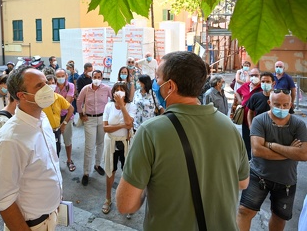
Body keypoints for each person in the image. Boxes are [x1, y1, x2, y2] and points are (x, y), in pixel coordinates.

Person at [116, 51, 249, 230]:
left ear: (170, 86)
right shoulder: (229, 127)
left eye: (158, 78)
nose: (155, 83)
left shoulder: (150, 132)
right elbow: (243, 182)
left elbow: (126, 204)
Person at [0, 66, 63, 231]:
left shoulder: (43, 119)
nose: (48, 88)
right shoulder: (9, 140)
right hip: (32, 226)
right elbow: (3, 199)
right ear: (22, 96)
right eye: (39, 86)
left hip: (51, 216)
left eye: (46, 83)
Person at [237, 90, 307, 231]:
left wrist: (271, 145)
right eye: (277, 104)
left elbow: (303, 154)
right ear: (269, 103)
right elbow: (257, 151)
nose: (281, 108)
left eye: (285, 105)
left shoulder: (298, 125)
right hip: (258, 175)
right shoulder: (259, 120)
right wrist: (290, 152)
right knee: (244, 211)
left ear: (291, 104)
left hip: (286, 180)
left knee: (279, 217)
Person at [102, 82, 136, 214]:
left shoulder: (131, 106)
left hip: (125, 143)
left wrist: (122, 106)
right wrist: (123, 126)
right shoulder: (109, 106)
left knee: (127, 172)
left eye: (122, 89)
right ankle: (108, 198)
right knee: (110, 170)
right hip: (111, 142)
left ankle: (128, 202)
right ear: (113, 92)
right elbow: (105, 128)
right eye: (117, 90)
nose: (119, 92)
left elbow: (130, 123)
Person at [77, 70, 112, 186]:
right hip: (90, 120)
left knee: (101, 143)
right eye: (95, 77)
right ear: (91, 77)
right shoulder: (86, 89)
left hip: (102, 119)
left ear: (102, 78)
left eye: (99, 77)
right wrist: (81, 115)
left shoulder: (107, 88)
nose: (97, 79)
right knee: (89, 146)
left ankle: (97, 165)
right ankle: (86, 172)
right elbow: (79, 101)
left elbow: (113, 101)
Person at [43, 74, 74, 157]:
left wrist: (64, 123)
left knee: (57, 151)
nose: (51, 85)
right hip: (44, 131)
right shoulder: (40, 99)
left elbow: (71, 109)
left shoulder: (58, 97)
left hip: (56, 130)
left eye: (53, 83)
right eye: (48, 83)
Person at [235, 68, 262, 160]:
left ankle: (257, 160)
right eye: (251, 75)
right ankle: (247, 161)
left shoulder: (263, 87)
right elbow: (237, 92)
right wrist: (239, 100)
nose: (254, 77)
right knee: (246, 141)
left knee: (258, 142)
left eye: (256, 75)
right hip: (245, 120)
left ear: (260, 76)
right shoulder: (246, 85)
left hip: (258, 121)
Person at [55, 68, 76, 171]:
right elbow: (66, 102)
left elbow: (66, 106)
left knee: (68, 141)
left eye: (62, 76)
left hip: (67, 116)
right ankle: (55, 162)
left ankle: (69, 160)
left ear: (66, 76)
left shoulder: (70, 86)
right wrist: (66, 101)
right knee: (55, 142)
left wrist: (57, 102)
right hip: (54, 118)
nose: (60, 78)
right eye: (58, 76)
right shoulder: (52, 86)